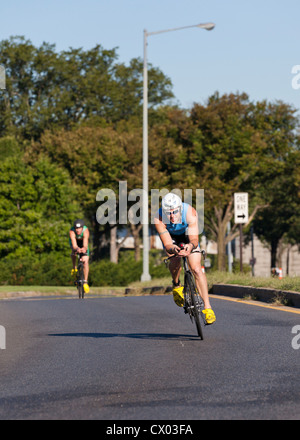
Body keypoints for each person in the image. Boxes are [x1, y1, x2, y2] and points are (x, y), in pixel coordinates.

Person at [154, 193, 216, 324]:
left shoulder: (190, 212)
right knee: (174, 260)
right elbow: (167, 244)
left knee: (196, 269)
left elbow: (194, 239)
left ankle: (208, 308)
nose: (171, 216)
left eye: (175, 212)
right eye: (168, 213)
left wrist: (190, 246)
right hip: (172, 239)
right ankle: (176, 285)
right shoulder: (158, 218)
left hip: (188, 236)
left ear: (180, 209)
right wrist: (174, 249)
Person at [69, 219, 90, 294]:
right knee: (73, 252)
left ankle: (85, 282)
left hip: (83, 242)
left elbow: (85, 244)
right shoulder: (72, 231)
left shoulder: (86, 231)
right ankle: (74, 267)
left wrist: (84, 249)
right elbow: (74, 244)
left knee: (85, 261)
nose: (77, 230)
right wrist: (77, 249)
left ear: (82, 228)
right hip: (75, 242)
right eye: (76, 228)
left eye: (79, 228)